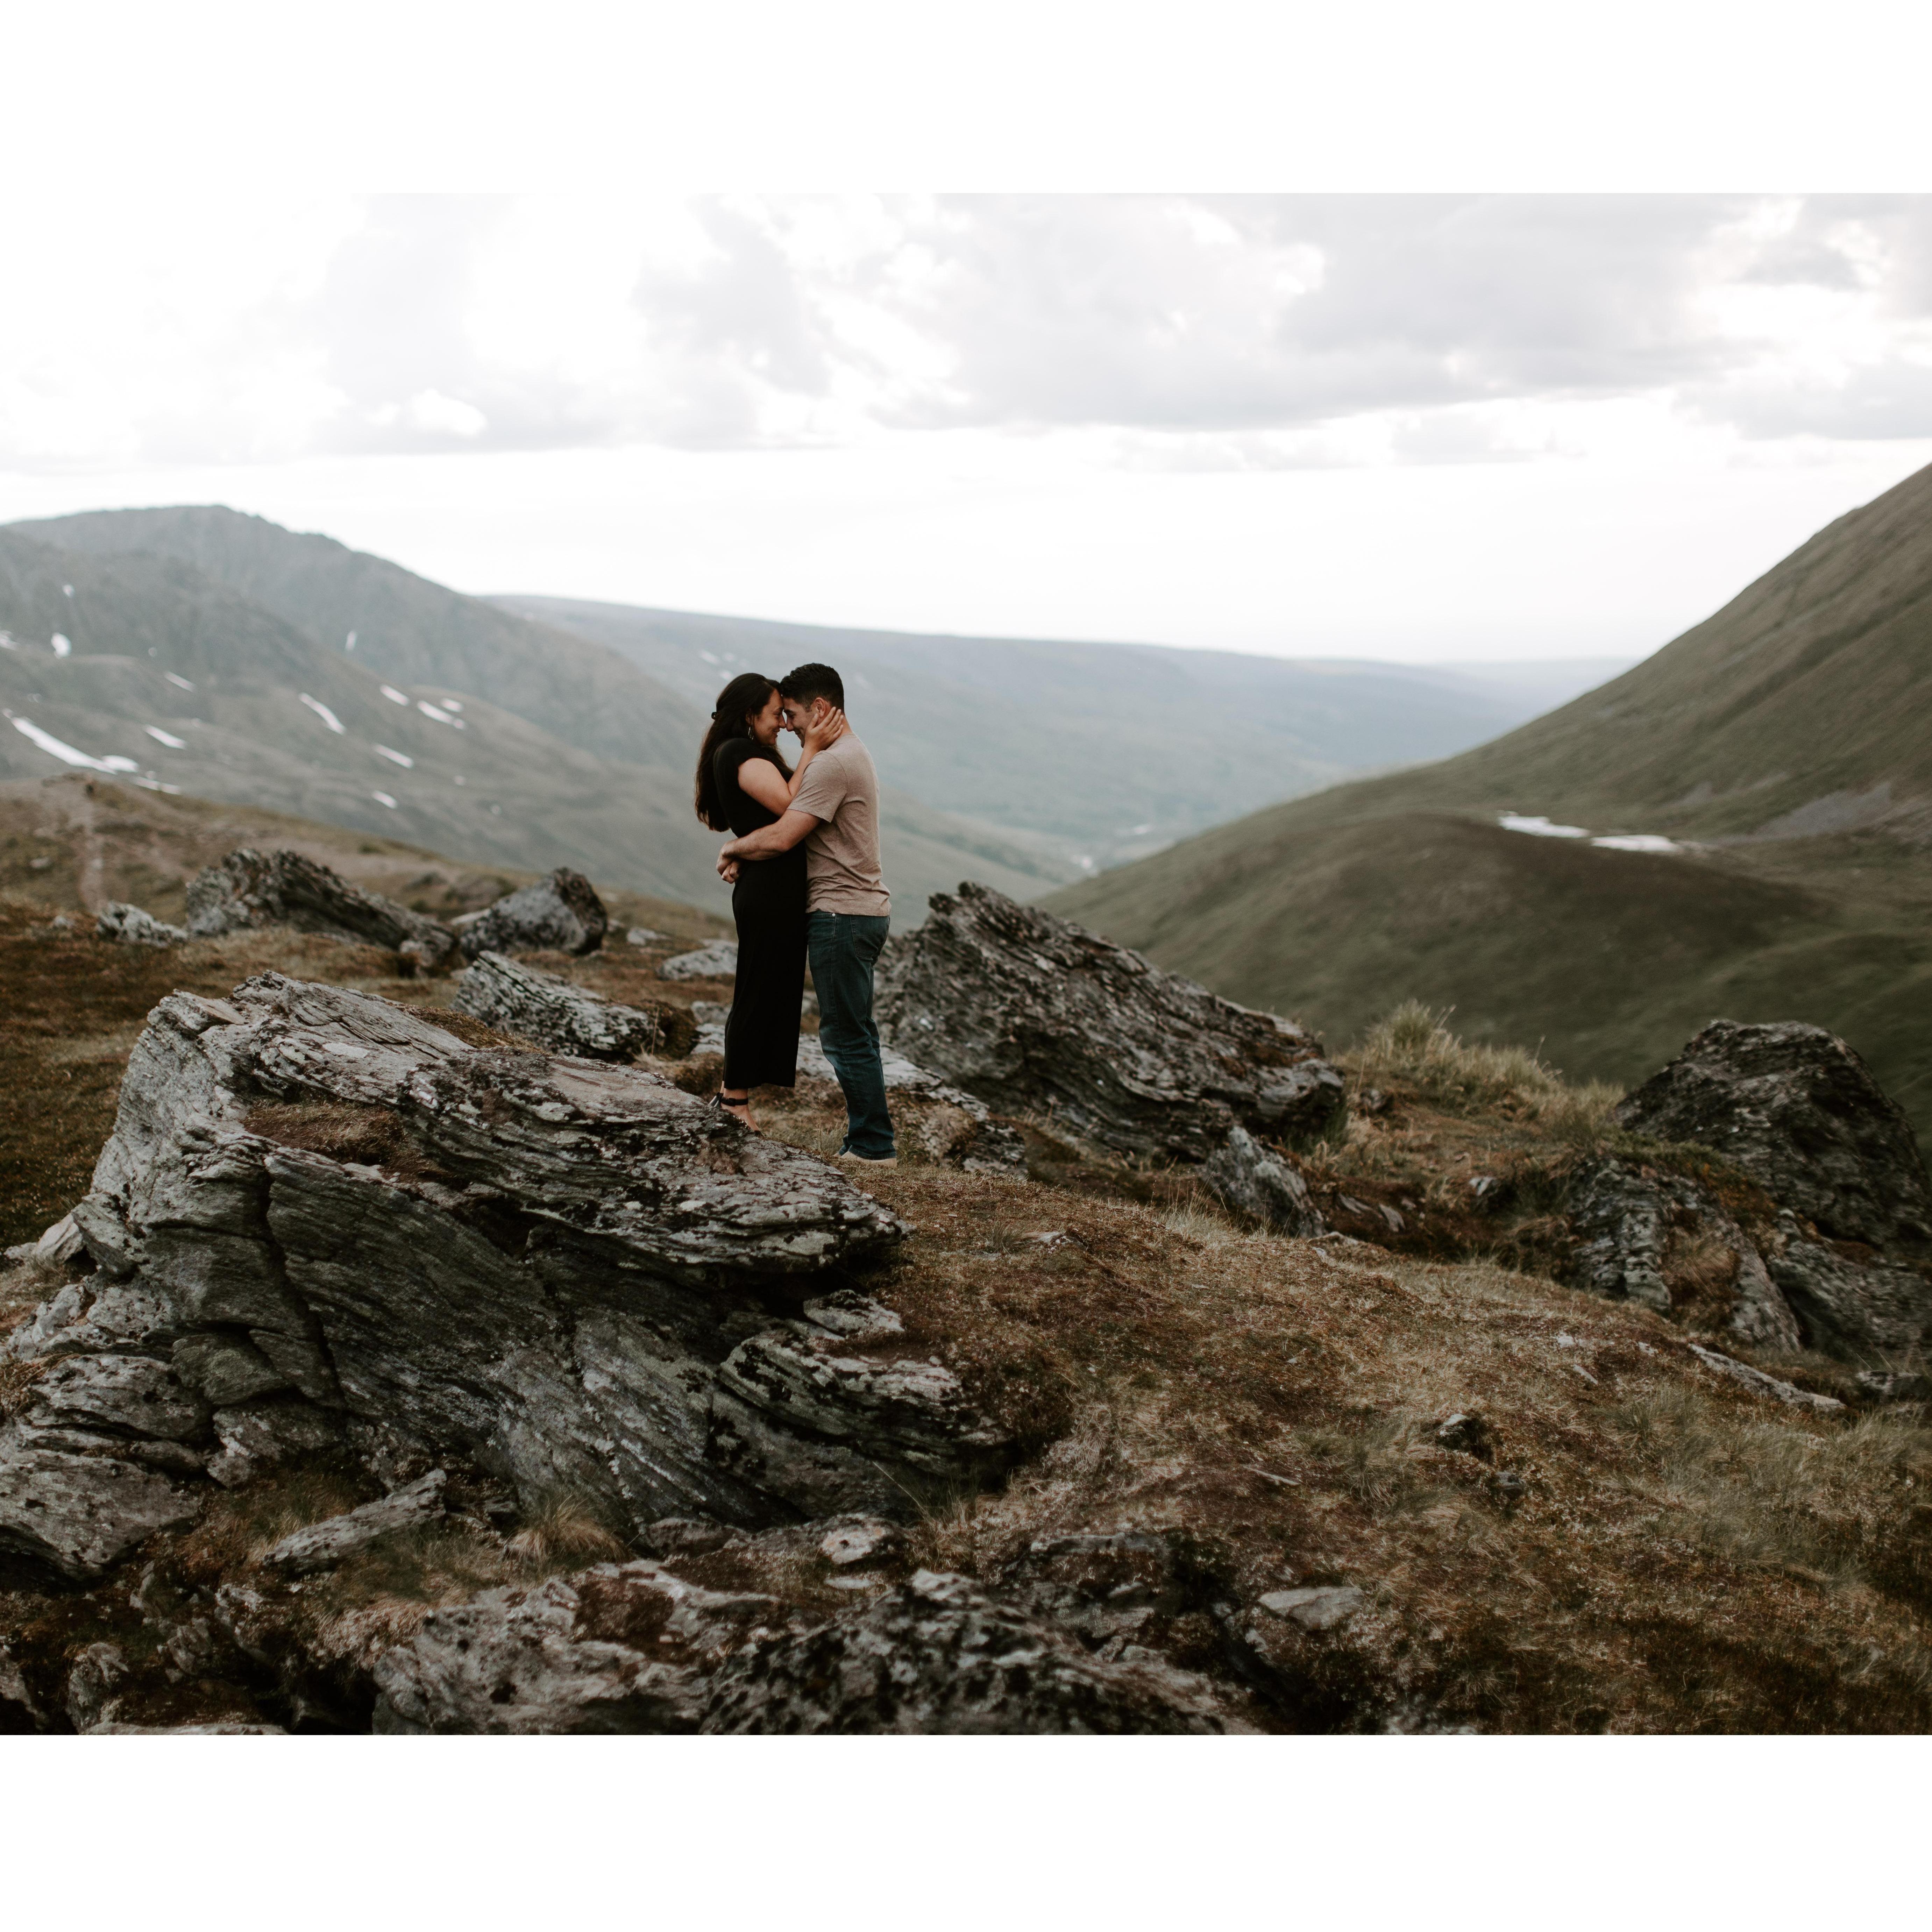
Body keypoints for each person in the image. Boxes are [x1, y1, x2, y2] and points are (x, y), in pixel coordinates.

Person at [716, 662, 895, 1166]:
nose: (789, 726)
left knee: (846, 1035)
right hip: (854, 911)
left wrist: (734, 849)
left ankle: (873, 1147)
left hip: (843, 913)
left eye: (792, 714)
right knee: (851, 1030)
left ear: (820, 709)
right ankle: (869, 1139)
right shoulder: (845, 754)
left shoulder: (832, 763)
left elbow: (783, 836)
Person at [693, 671, 845, 1129]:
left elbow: (759, 819)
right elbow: (785, 804)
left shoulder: (742, 753)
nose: (782, 722)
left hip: (771, 885)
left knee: (766, 988)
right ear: (748, 715)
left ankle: (736, 1094)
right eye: (775, 713)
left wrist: (741, 851)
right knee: (756, 990)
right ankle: (734, 1101)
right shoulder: (741, 752)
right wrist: (813, 750)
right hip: (770, 892)